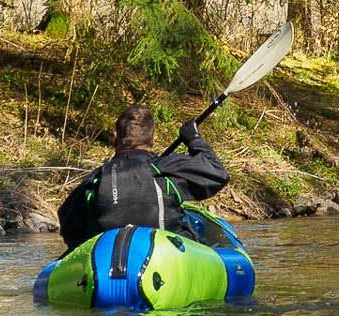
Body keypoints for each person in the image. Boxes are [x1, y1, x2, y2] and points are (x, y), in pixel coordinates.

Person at [56, 105, 230, 249]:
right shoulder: (167, 169)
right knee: (193, 222)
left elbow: (68, 226)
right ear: (153, 139)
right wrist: (194, 139)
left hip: (106, 260)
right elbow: (218, 173)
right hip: (165, 258)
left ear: (115, 137)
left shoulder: (96, 179)